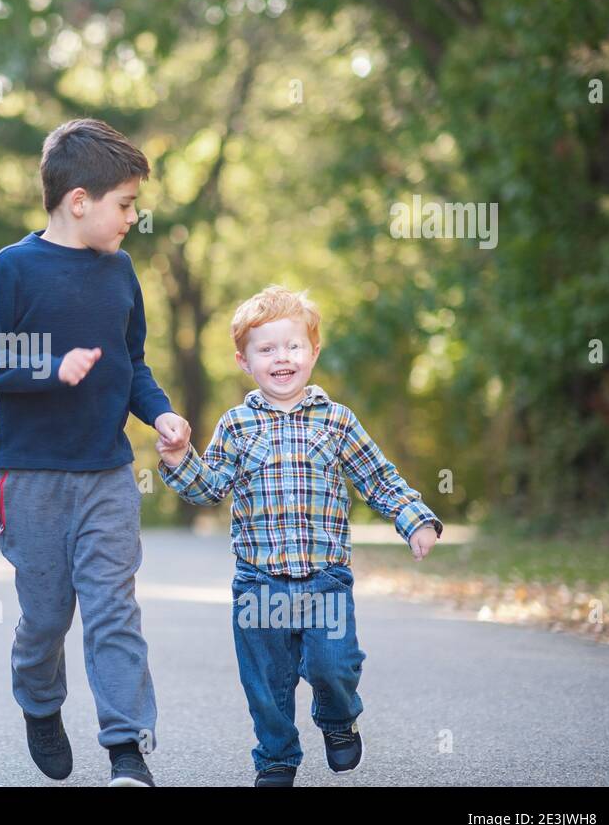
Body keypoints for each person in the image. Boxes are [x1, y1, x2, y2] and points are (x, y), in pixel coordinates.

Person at [0, 118, 191, 786]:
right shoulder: (12, 267)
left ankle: (127, 749)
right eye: (125, 204)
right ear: (78, 200)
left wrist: (160, 413)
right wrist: (50, 364)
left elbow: (134, 363)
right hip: (27, 476)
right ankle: (40, 700)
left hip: (106, 474)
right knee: (45, 616)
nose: (132, 218)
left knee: (114, 607)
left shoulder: (121, 273)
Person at [157, 284, 443, 786]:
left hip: (325, 579)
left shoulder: (337, 421)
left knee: (334, 666)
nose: (281, 358)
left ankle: (337, 719)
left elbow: (377, 479)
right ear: (245, 362)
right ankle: (276, 759)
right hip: (259, 581)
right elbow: (211, 488)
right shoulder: (237, 426)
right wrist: (180, 460)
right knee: (267, 683)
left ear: (313, 351)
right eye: (266, 349)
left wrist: (414, 518)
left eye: (292, 346)